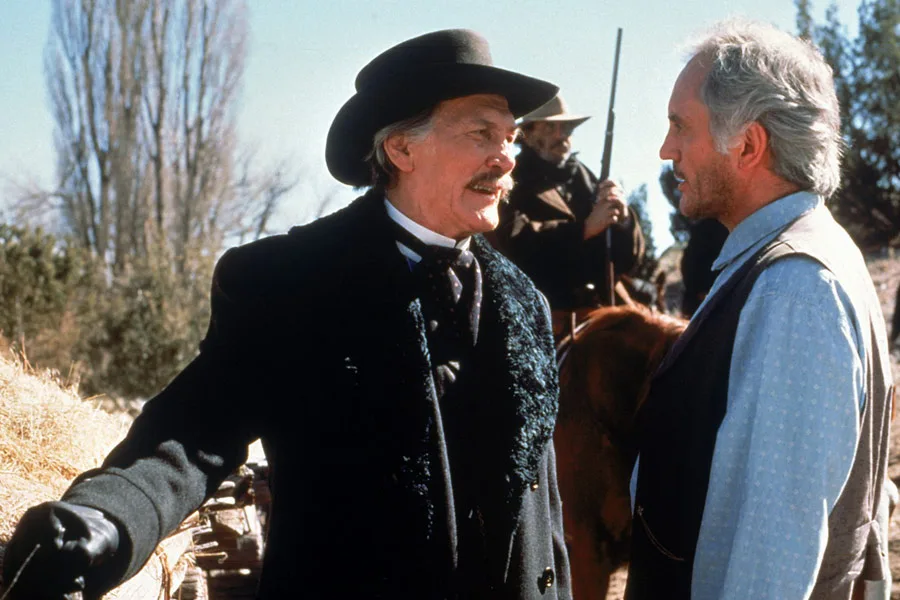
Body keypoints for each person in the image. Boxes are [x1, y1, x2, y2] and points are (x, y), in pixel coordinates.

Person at [1, 29, 574, 600]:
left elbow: (544, 519)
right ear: (402, 150)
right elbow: (194, 431)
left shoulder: (524, 301)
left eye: (510, 138)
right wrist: (107, 519)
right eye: (481, 134)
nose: (506, 159)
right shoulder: (291, 280)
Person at [627, 19, 893, 600]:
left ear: (747, 145)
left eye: (680, 125)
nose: (666, 150)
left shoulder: (794, 289)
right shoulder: (792, 263)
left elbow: (770, 555)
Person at [489, 93, 645, 333]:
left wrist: (622, 220)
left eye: (567, 128)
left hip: (603, 307)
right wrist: (584, 230)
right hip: (542, 312)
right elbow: (515, 242)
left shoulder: (586, 177)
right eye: (550, 127)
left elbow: (627, 261)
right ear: (528, 134)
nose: (561, 135)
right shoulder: (512, 179)